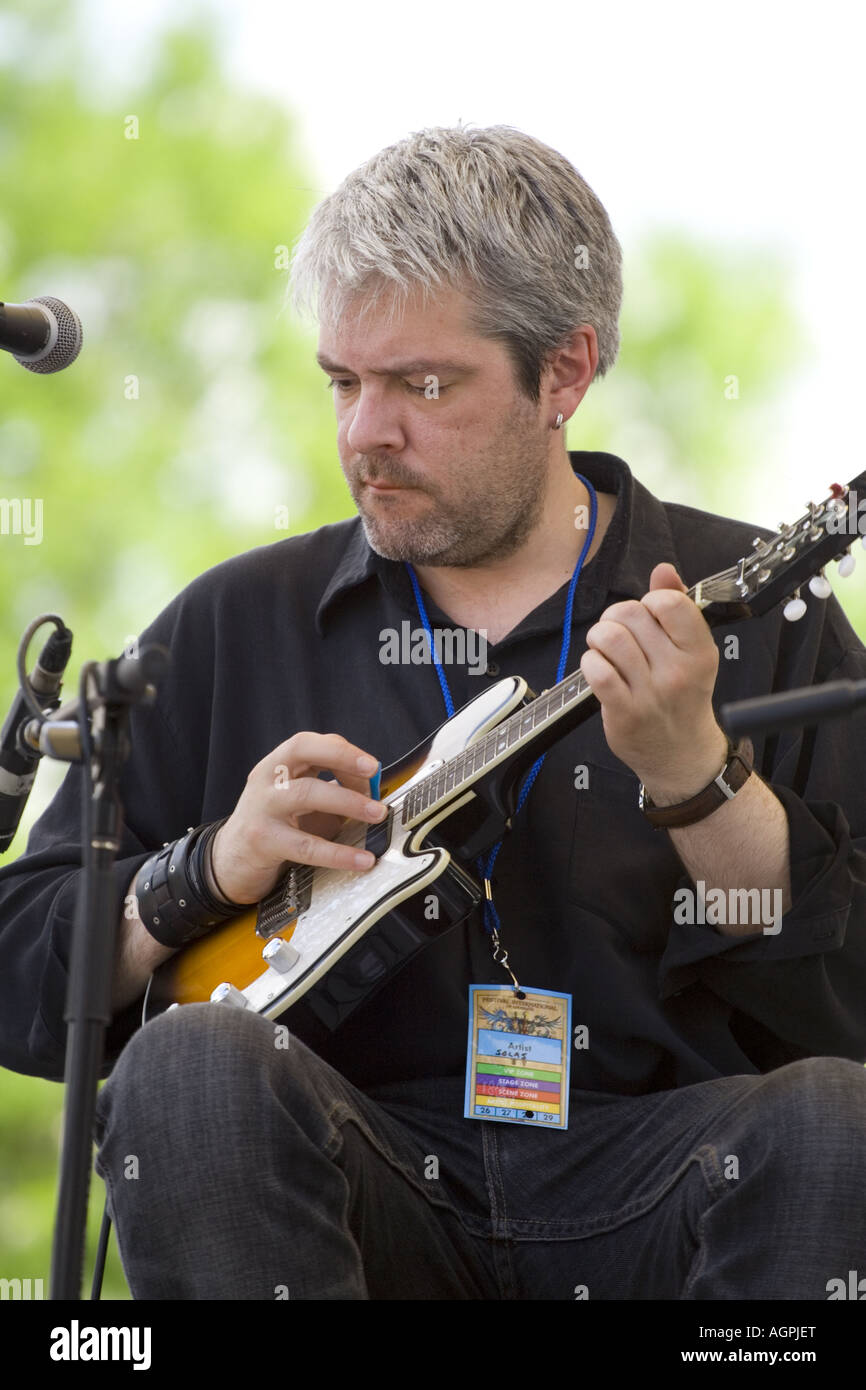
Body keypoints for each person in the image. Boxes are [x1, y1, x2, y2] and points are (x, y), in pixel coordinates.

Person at [2, 123, 866, 1301]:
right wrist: (206, 872)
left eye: (422, 384)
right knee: (191, 1067)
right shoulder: (234, 623)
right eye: (343, 383)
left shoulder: (758, 623)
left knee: (831, 1121)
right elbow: (19, 965)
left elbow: (851, 994)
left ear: (562, 372)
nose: (365, 432)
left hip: (665, 1195)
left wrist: (698, 782)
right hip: (349, 1183)